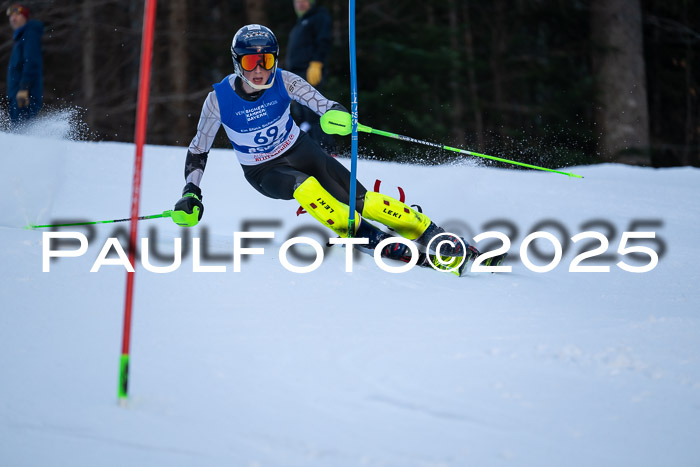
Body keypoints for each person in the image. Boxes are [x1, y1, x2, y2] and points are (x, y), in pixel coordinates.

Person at [172, 24, 472, 267]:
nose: (260, 69)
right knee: (313, 194)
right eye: (252, 61)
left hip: (302, 150)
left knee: (363, 201)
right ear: (237, 62)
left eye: (268, 60)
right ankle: (377, 242)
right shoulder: (218, 101)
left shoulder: (285, 81)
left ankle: (435, 235)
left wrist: (337, 114)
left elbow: (324, 105)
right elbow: (199, 148)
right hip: (265, 171)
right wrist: (191, 191)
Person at [285, 0, 336, 153]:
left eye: (304, 0)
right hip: (296, 73)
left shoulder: (318, 16)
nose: (300, 3)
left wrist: (317, 62)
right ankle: (311, 151)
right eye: (297, 1)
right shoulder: (301, 22)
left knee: (313, 111)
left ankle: (327, 151)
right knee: (301, 114)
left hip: (309, 71)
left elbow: (324, 40)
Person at [6, 3, 43, 126]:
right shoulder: (20, 38)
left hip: (25, 95)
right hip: (17, 95)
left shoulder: (30, 33)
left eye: (17, 14)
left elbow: (31, 62)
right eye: (11, 16)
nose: (13, 18)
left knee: (23, 132)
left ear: (24, 17)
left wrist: (24, 88)